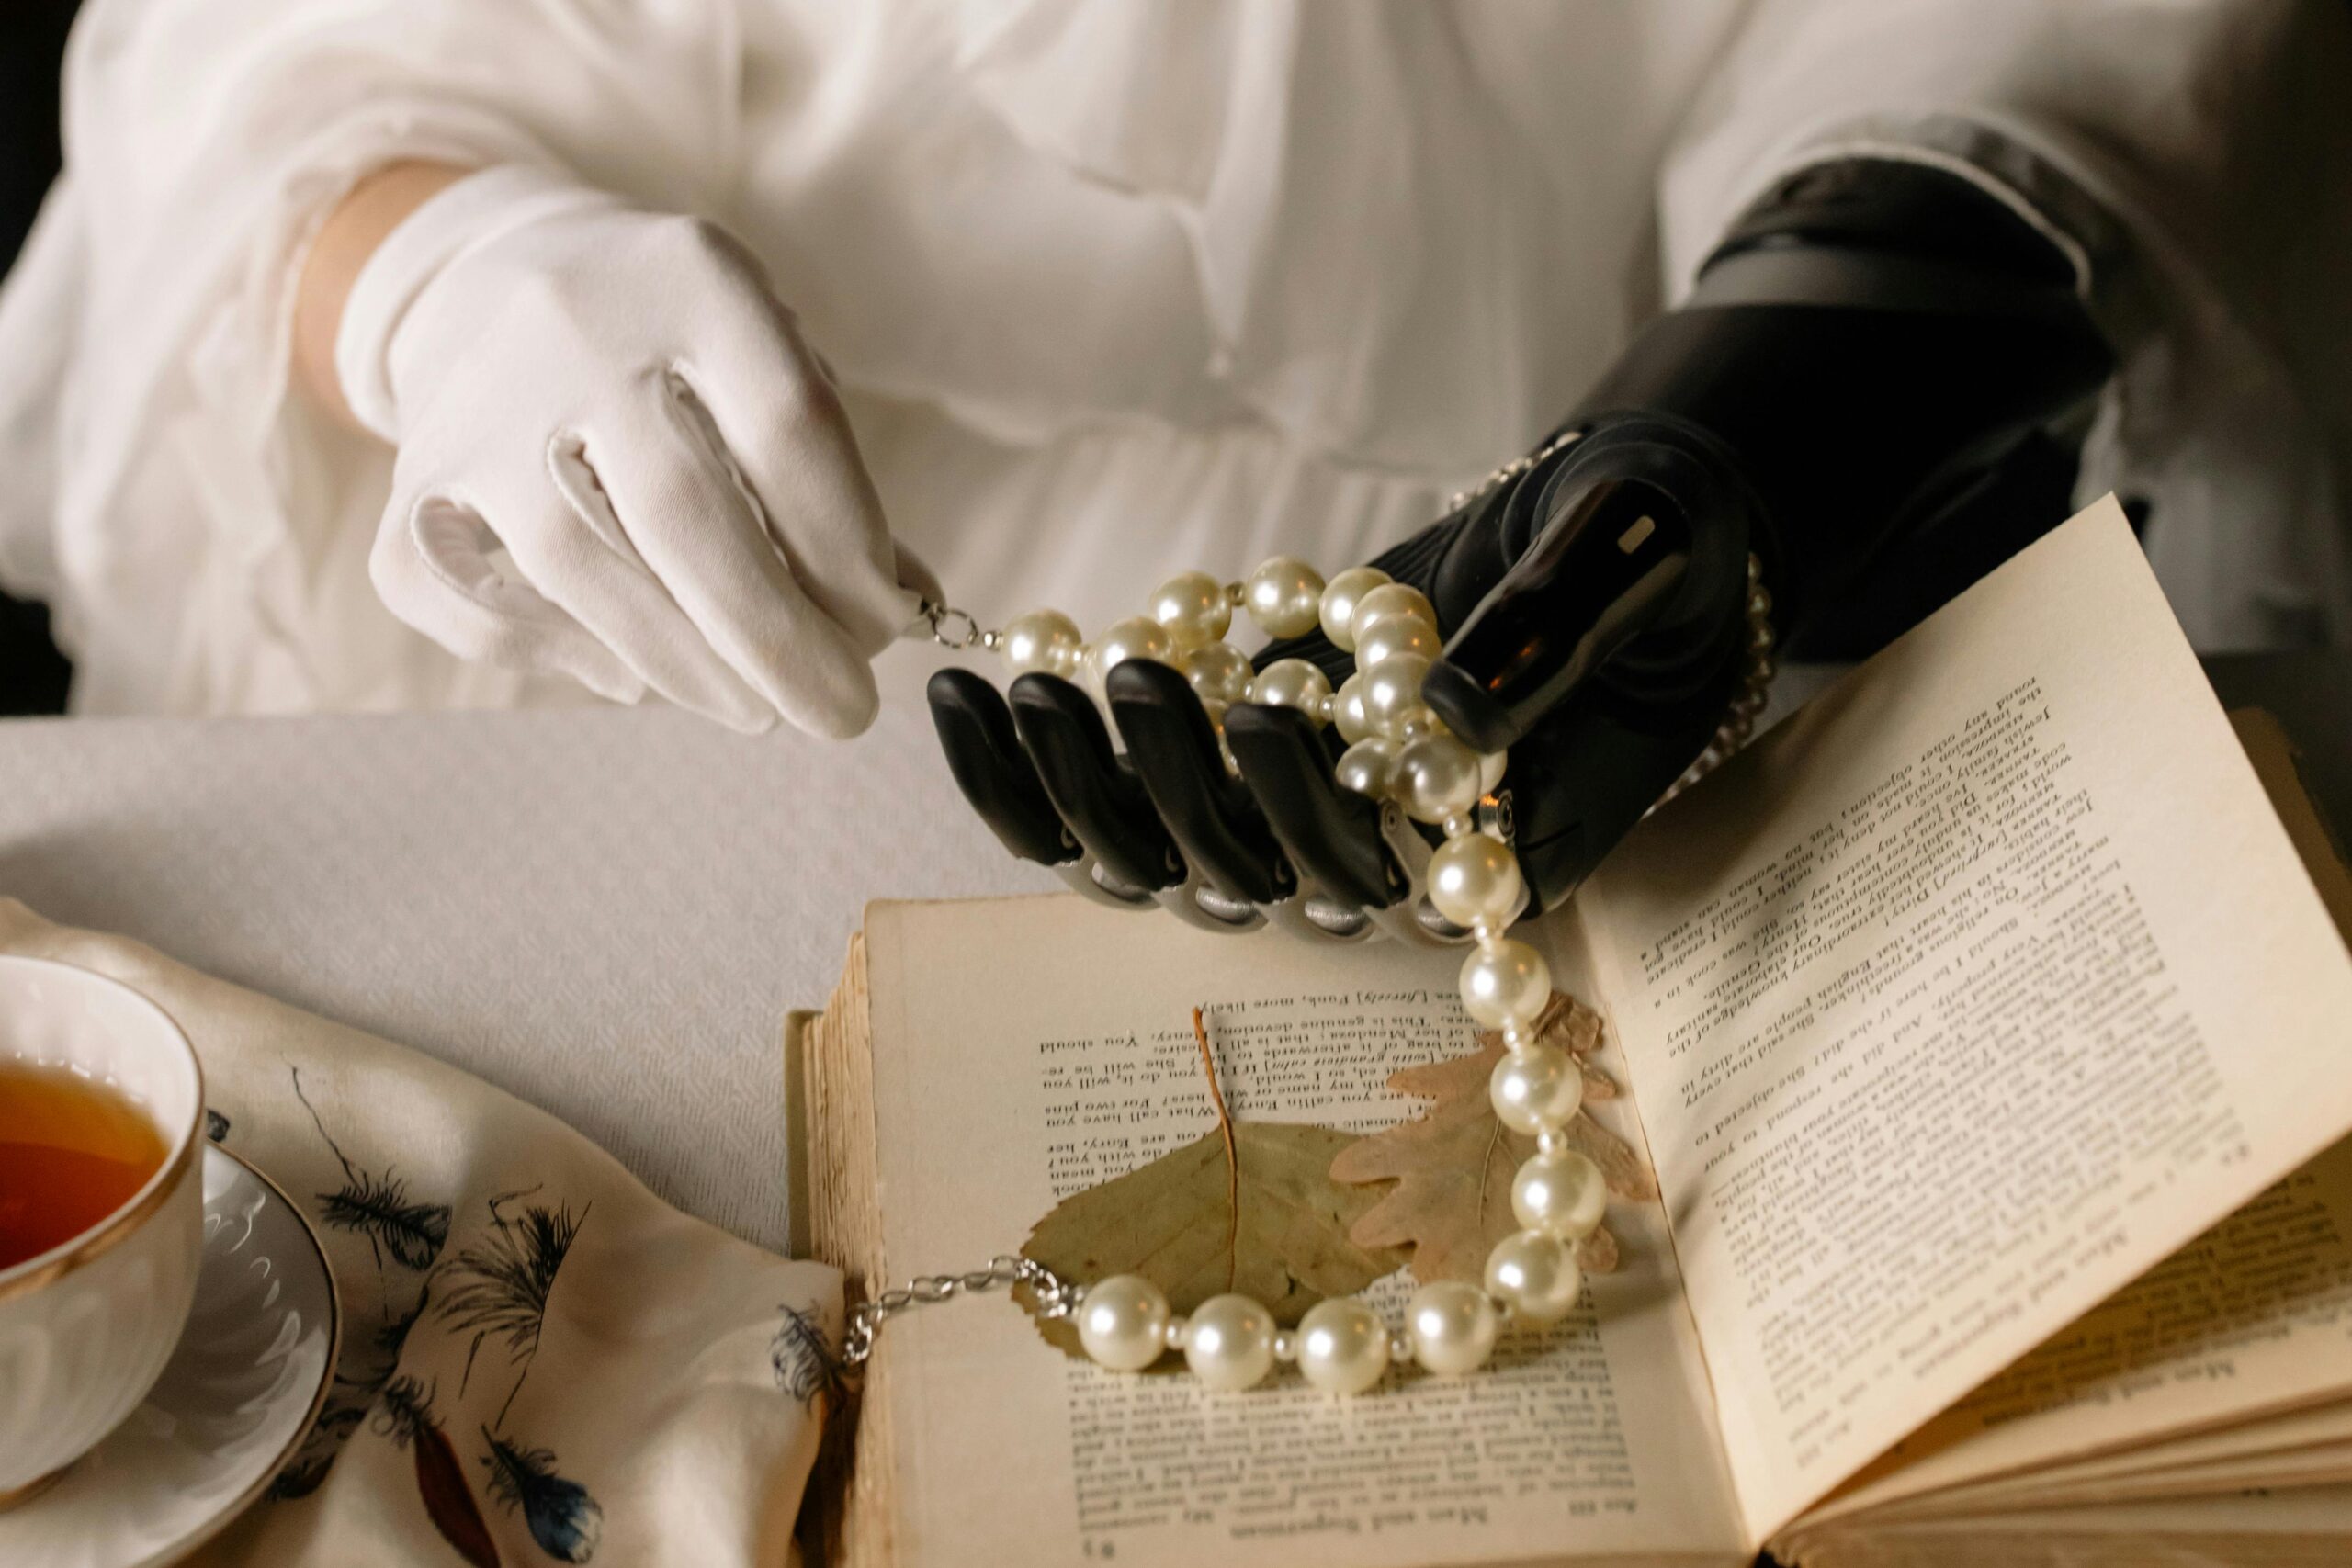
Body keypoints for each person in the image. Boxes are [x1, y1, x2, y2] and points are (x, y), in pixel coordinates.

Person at [0, 0, 2345, 737]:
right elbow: (260, 86)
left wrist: (1762, 397)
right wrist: (446, 280)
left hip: (1523, 586)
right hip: (641, 639)